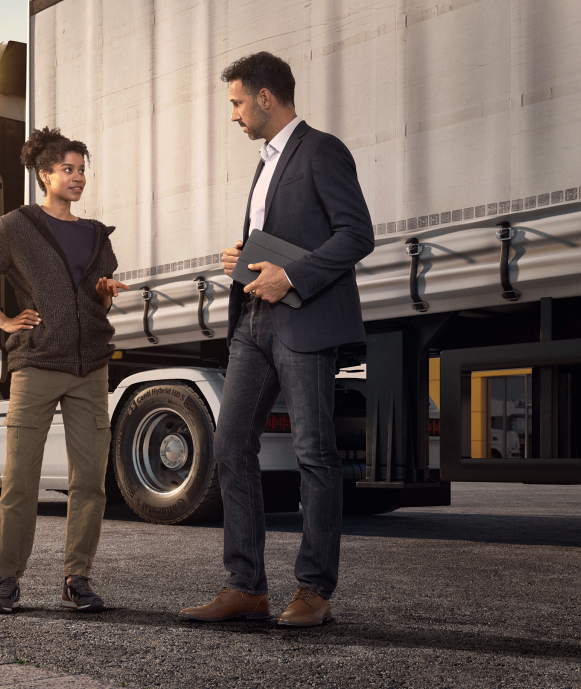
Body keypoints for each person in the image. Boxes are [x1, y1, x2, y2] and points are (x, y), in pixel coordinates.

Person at [179, 52, 375, 627]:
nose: (234, 115)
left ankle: (313, 590)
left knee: (314, 453)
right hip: (253, 323)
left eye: (238, 102)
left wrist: (290, 275)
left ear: (267, 97)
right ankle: (246, 586)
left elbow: (356, 234)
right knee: (231, 444)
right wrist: (244, 257)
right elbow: (282, 236)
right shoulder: (266, 162)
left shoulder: (322, 150)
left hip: (304, 321)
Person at [0, 127, 127, 615]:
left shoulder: (96, 235)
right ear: (43, 174)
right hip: (36, 364)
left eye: (81, 169)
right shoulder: (16, 227)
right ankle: (6, 580)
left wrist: (105, 290)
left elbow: (93, 294)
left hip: (90, 366)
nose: (77, 177)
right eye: (67, 169)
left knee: (90, 479)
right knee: (21, 480)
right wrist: (4, 320)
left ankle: (78, 578)